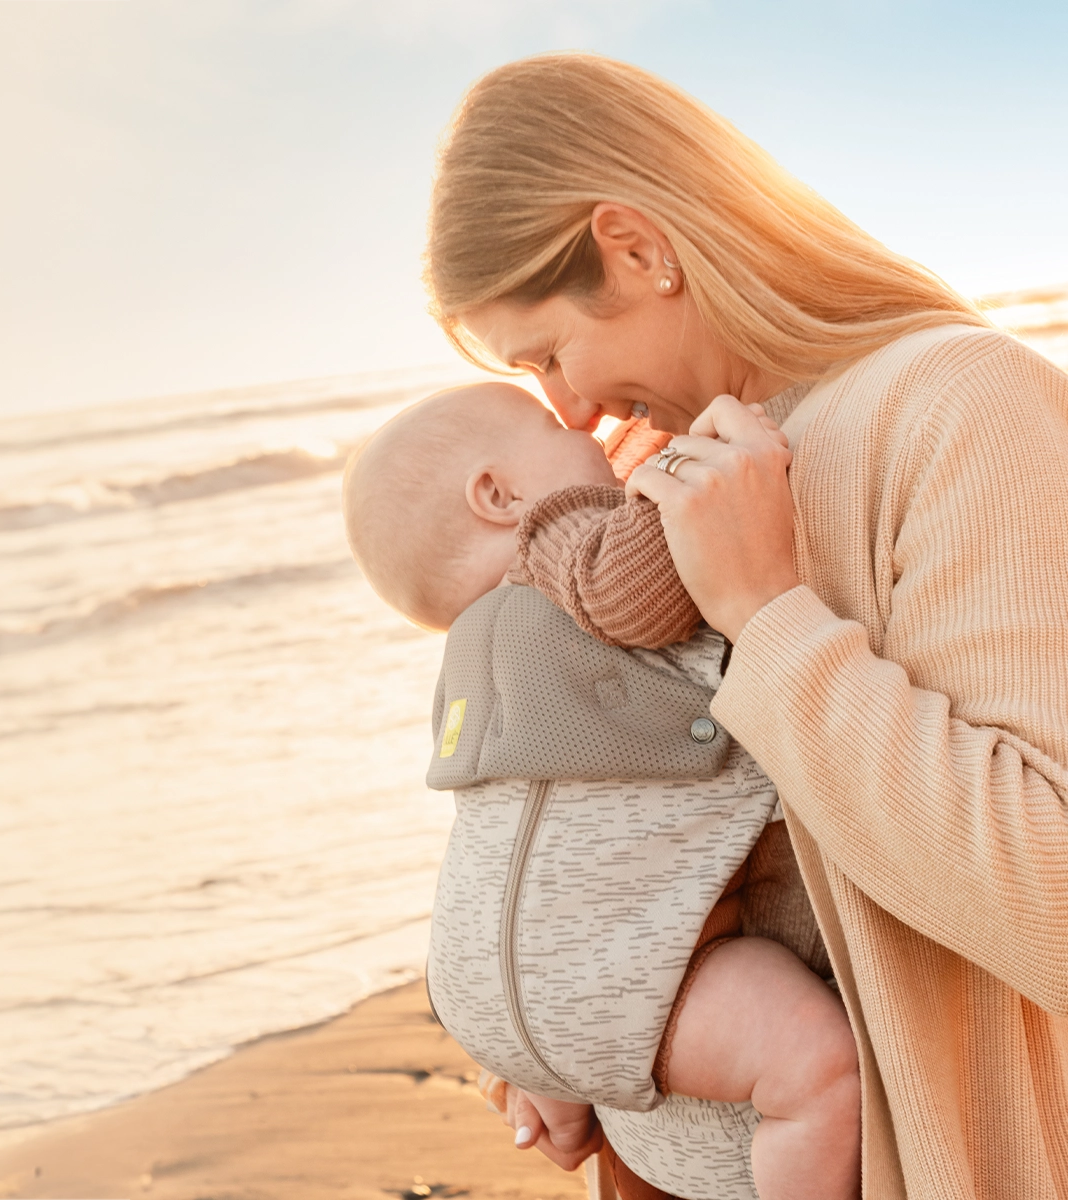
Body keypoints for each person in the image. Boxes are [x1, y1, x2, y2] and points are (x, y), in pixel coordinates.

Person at [422, 52, 1068, 1197]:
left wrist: (764, 616)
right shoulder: (647, 471)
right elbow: (583, 804)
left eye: (549, 354)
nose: (566, 410)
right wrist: (552, 1021)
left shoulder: (959, 405)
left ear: (634, 247)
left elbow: (1047, 895)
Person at [344, 381, 858, 1197]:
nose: (595, 429)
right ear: (499, 495)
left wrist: (535, 1049)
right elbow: (632, 585)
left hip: (477, 989)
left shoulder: (474, 664)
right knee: (822, 1071)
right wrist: (716, 458)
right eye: (553, 426)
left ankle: (560, 1080)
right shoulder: (563, 549)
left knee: (574, 1019)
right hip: (616, 984)